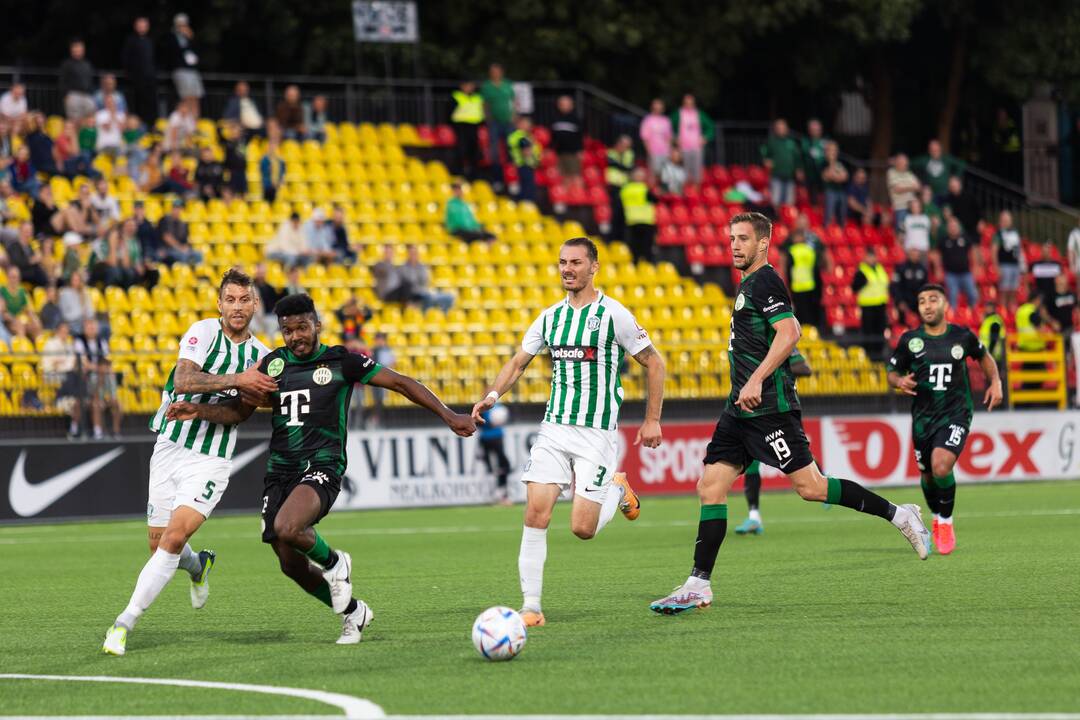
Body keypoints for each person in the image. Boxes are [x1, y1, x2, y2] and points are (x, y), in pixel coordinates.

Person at [650, 213, 931, 616]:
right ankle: (698, 584)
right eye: (731, 238)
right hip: (739, 410)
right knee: (710, 487)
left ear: (763, 244)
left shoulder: (765, 281)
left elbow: (790, 333)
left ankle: (901, 515)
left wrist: (756, 380)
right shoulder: (748, 284)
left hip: (770, 410)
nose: (734, 245)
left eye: (743, 239)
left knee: (812, 488)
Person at [165, 293, 477, 644]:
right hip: (280, 471)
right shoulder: (273, 364)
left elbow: (402, 383)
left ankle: (336, 563)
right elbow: (239, 411)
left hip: (323, 466)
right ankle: (353, 614)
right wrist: (199, 411)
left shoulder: (342, 361)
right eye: (287, 330)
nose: (295, 336)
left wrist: (449, 416)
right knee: (288, 563)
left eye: (302, 327)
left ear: (317, 325)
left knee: (288, 526)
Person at [471, 236, 666, 627]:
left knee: (582, 529)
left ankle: (616, 488)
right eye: (562, 262)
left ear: (594, 267)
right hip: (554, 430)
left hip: (595, 434)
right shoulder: (549, 317)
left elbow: (654, 363)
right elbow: (518, 362)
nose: (567, 269)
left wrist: (652, 419)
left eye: (575, 262)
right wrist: (492, 395)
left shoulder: (615, 315)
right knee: (535, 513)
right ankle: (531, 606)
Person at [102, 269, 275, 656]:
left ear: (254, 304)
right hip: (170, 448)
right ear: (219, 303)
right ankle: (199, 567)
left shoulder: (262, 357)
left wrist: (205, 408)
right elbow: (183, 380)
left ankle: (123, 623)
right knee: (158, 546)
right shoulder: (203, 332)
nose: (237, 307)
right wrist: (239, 381)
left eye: (244, 300)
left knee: (174, 538)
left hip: (211, 459)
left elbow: (239, 415)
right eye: (230, 300)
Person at [887, 284, 1002, 555]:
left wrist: (995, 381)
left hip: (956, 413)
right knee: (927, 476)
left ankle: (947, 522)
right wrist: (898, 380)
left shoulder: (962, 336)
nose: (927, 305)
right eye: (922, 300)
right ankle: (937, 516)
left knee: (941, 466)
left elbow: (984, 357)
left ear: (944, 304)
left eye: (933, 299)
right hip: (923, 419)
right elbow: (892, 371)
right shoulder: (910, 340)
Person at [733, 349, 813, 536]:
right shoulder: (750, 343)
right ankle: (754, 516)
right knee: (752, 462)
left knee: (797, 460)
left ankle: (824, 480)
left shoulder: (782, 342)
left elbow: (804, 368)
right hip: (755, 409)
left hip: (780, 409)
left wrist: (772, 367)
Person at [852, 246, 890, 358]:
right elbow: (854, 287)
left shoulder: (879, 268)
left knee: (880, 332)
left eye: (873, 256)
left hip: (881, 305)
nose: (871, 259)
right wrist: (863, 282)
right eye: (869, 256)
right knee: (869, 332)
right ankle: (869, 356)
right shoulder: (861, 270)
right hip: (868, 306)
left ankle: (879, 355)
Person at [480, 64, 514, 186]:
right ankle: (497, 179)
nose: (495, 73)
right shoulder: (487, 86)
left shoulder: (507, 84)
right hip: (494, 122)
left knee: (511, 149)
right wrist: (488, 119)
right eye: (493, 71)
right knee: (495, 151)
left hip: (508, 122)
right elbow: (484, 104)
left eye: (497, 71)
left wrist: (514, 116)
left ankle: (511, 179)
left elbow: (513, 101)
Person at [122, 17, 158, 124]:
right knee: (138, 104)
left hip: (150, 79)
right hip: (137, 78)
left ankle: (151, 126)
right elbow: (126, 58)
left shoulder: (150, 40)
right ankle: (139, 126)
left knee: (151, 103)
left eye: (144, 25)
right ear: (135, 26)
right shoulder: (131, 40)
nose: (142, 28)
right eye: (140, 25)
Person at [672, 94, 713, 185]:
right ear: (683, 103)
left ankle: (695, 196)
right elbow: (669, 127)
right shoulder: (678, 114)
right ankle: (683, 195)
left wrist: (705, 138)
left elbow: (710, 127)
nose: (688, 105)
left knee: (697, 173)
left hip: (696, 148)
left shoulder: (699, 114)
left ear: (694, 104)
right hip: (682, 148)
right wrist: (675, 138)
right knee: (683, 172)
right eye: (686, 103)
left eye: (691, 103)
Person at [166, 14, 204, 113]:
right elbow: (171, 54)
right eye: (181, 24)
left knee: (196, 97)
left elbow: (198, 52)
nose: (183, 26)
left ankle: (195, 124)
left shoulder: (190, 36)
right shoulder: (171, 37)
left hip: (193, 70)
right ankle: (187, 123)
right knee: (186, 98)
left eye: (184, 24)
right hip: (181, 70)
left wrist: (191, 38)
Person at [620, 167, 658, 263]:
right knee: (647, 248)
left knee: (634, 248)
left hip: (631, 220)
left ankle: (636, 266)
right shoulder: (645, 189)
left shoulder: (625, 189)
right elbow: (655, 200)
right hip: (646, 221)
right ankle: (647, 266)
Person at [940, 216, 979, 308]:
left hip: (966, 273)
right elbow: (937, 255)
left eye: (955, 226)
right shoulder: (944, 240)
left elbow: (973, 251)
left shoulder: (965, 238)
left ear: (958, 227)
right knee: (953, 296)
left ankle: (972, 314)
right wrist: (938, 268)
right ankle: (953, 318)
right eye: (951, 226)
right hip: (951, 274)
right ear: (948, 228)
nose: (953, 228)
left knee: (973, 294)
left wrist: (976, 266)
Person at [760, 118, 801, 207]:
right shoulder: (771, 142)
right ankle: (777, 220)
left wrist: (798, 169)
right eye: (778, 128)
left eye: (782, 127)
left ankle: (787, 219)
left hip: (790, 176)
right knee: (776, 201)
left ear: (786, 129)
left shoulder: (792, 142)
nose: (781, 129)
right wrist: (765, 160)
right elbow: (763, 152)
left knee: (790, 202)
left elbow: (797, 158)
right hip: (776, 176)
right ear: (775, 129)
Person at [401, 244, 454, 311]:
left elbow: (426, 280)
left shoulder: (423, 266)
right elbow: (410, 282)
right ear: (408, 254)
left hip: (425, 291)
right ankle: (425, 316)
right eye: (411, 253)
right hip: (414, 294)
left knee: (449, 297)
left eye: (415, 253)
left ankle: (442, 316)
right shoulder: (404, 268)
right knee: (428, 297)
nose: (413, 255)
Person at [480, 401, 512, 505]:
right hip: (488, 439)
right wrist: (489, 422)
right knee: (492, 467)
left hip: (497, 438)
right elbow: (479, 423)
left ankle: (502, 494)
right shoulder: (482, 407)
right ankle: (495, 495)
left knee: (504, 466)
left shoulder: (497, 405)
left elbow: (504, 416)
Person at [785, 229, 819, 329]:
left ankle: (803, 338)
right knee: (810, 314)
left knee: (800, 315)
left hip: (797, 286)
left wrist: (789, 285)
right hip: (810, 285)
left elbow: (789, 270)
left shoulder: (792, 251)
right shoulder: (810, 250)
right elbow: (815, 268)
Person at [913, 139, 965, 204]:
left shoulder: (946, 158)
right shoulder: (924, 159)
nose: (935, 151)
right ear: (929, 150)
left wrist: (955, 177)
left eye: (937, 149)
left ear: (940, 149)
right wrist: (916, 180)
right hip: (931, 194)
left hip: (946, 193)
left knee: (947, 211)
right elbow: (909, 164)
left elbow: (962, 164)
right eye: (932, 150)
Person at [451, 81, 484, 179]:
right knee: (461, 150)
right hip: (461, 126)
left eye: (471, 85)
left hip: (474, 126)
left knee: (474, 150)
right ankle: (459, 173)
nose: (469, 87)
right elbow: (449, 112)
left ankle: (474, 175)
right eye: (467, 85)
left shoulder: (478, 98)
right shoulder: (456, 96)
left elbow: (482, 111)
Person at [992, 210, 1024, 311]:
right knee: (1004, 289)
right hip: (1004, 265)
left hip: (1015, 265)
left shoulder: (1015, 232)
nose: (1006, 222)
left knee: (1013, 289)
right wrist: (997, 266)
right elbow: (994, 251)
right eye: (1004, 220)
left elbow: (1019, 249)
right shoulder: (998, 234)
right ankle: (1003, 309)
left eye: (1008, 219)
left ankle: (1011, 310)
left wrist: (1022, 265)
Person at [605, 135, 634, 241]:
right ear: (618, 144)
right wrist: (623, 167)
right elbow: (614, 164)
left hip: (624, 187)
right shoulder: (610, 153)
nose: (626, 148)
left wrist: (620, 166)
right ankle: (612, 239)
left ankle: (620, 239)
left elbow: (629, 168)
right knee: (614, 213)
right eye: (624, 145)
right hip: (612, 187)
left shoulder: (629, 154)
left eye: (628, 146)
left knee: (622, 214)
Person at [1, 266, 41, 340]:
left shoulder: (22, 291)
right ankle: (21, 348)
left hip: (20, 320)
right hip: (8, 322)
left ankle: (37, 348)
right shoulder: (2, 291)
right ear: (7, 277)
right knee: (20, 327)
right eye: (12, 277)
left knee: (35, 327)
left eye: (16, 277)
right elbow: (3, 313)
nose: (14, 280)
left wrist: (34, 320)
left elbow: (28, 310)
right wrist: (14, 320)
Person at [157, 199, 203, 265]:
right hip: (166, 249)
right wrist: (180, 248)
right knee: (183, 256)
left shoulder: (183, 224)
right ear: (172, 209)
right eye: (176, 208)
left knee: (198, 255)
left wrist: (185, 248)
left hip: (179, 249)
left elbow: (185, 240)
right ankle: (183, 273)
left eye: (179, 208)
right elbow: (166, 237)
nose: (177, 211)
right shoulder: (164, 220)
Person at [507, 115, 540, 203]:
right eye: (525, 123)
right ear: (519, 124)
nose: (527, 126)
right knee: (527, 188)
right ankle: (526, 205)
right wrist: (533, 159)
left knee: (526, 187)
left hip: (525, 165)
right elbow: (526, 151)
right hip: (524, 164)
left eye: (528, 124)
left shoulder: (525, 136)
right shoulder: (520, 136)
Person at [60, 39, 95, 121]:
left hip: (87, 96)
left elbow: (90, 80)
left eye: (80, 48)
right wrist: (65, 96)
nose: (78, 50)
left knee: (89, 120)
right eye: (75, 47)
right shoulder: (67, 64)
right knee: (75, 120)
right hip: (73, 95)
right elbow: (62, 81)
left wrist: (91, 95)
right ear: (71, 50)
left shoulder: (87, 64)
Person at [551, 95, 583, 183]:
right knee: (562, 177)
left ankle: (578, 195)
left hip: (572, 153)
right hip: (558, 153)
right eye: (562, 104)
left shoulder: (576, 119)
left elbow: (580, 136)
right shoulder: (554, 119)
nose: (564, 106)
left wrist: (580, 151)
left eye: (566, 104)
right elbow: (551, 136)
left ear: (571, 105)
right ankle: (566, 196)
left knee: (575, 175)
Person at [891, 246, 929, 321]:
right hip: (904, 301)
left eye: (916, 255)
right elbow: (895, 286)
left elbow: (925, 286)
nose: (915, 256)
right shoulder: (900, 268)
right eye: (912, 254)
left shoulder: (922, 269)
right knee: (903, 324)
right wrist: (899, 301)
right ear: (908, 255)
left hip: (917, 302)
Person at [887, 154, 921, 230]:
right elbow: (897, 189)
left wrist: (905, 187)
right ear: (896, 163)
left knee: (913, 231)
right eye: (900, 162)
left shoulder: (909, 173)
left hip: (912, 209)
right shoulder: (891, 172)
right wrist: (911, 187)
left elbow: (918, 186)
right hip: (900, 208)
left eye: (904, 163)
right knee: (901, 232)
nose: (902, 164)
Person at [640, 99, 672, 177]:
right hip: (653, 151)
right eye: (656, 108)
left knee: (665, 175)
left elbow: (669, 137)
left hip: (665, 152)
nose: (658, 110)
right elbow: (644, 138)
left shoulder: (666, 120)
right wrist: (649, 151)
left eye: (660, 108)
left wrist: (669, 151)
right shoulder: (647, 120)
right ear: (652, 108)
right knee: (653, 174)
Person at [821, 141, 848, 227]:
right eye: (831, 150)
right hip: (829, 191)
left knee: (842, 215)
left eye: (835, 150)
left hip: (841, 191)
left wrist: (836, 177)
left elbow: (845, 177)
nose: (833, 152)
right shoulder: (823, 163)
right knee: (829, 214)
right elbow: (828, 175)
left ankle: (840, 235)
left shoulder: (840, 163)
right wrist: (832, 162)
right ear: (826, 151)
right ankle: (827, 232)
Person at [801, 119, 827, 205]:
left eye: (818, 130)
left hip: (823, 174)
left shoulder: (825, 141)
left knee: (822, 197)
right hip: (810, 173)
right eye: (814, 130)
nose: (816, 132)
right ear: (809, 131)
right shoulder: (806, 141)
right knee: (811, 196)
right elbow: (803, 155)